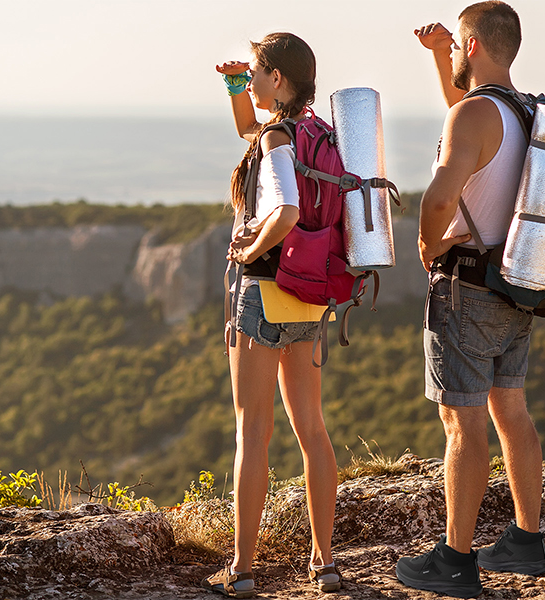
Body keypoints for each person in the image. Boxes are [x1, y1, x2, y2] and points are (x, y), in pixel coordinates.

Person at [395, 2, 545, 597]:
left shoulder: (474, 115)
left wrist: (426, 246)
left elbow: (440, 198)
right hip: (517, 284)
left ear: (476, 44)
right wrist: (439, 56)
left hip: (465, 289)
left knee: (462, 422)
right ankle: (525, 541)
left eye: (458, 46)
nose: (455, 53)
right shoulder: (525, 113)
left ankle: (455, 560)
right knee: (511, 408)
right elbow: (471, 133)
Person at [207, 32, 342, 598]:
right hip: (307, 294)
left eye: (259, 74)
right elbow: (252, 132)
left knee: (252, 433)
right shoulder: (309, 132)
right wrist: (237, 85)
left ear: (278, 80)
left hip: (262, 294)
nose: (254, 83)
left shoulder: (278, 139)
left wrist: (249, 246)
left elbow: (285, 207)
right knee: (312, 429)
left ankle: (240, 570)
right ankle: (326, 563)